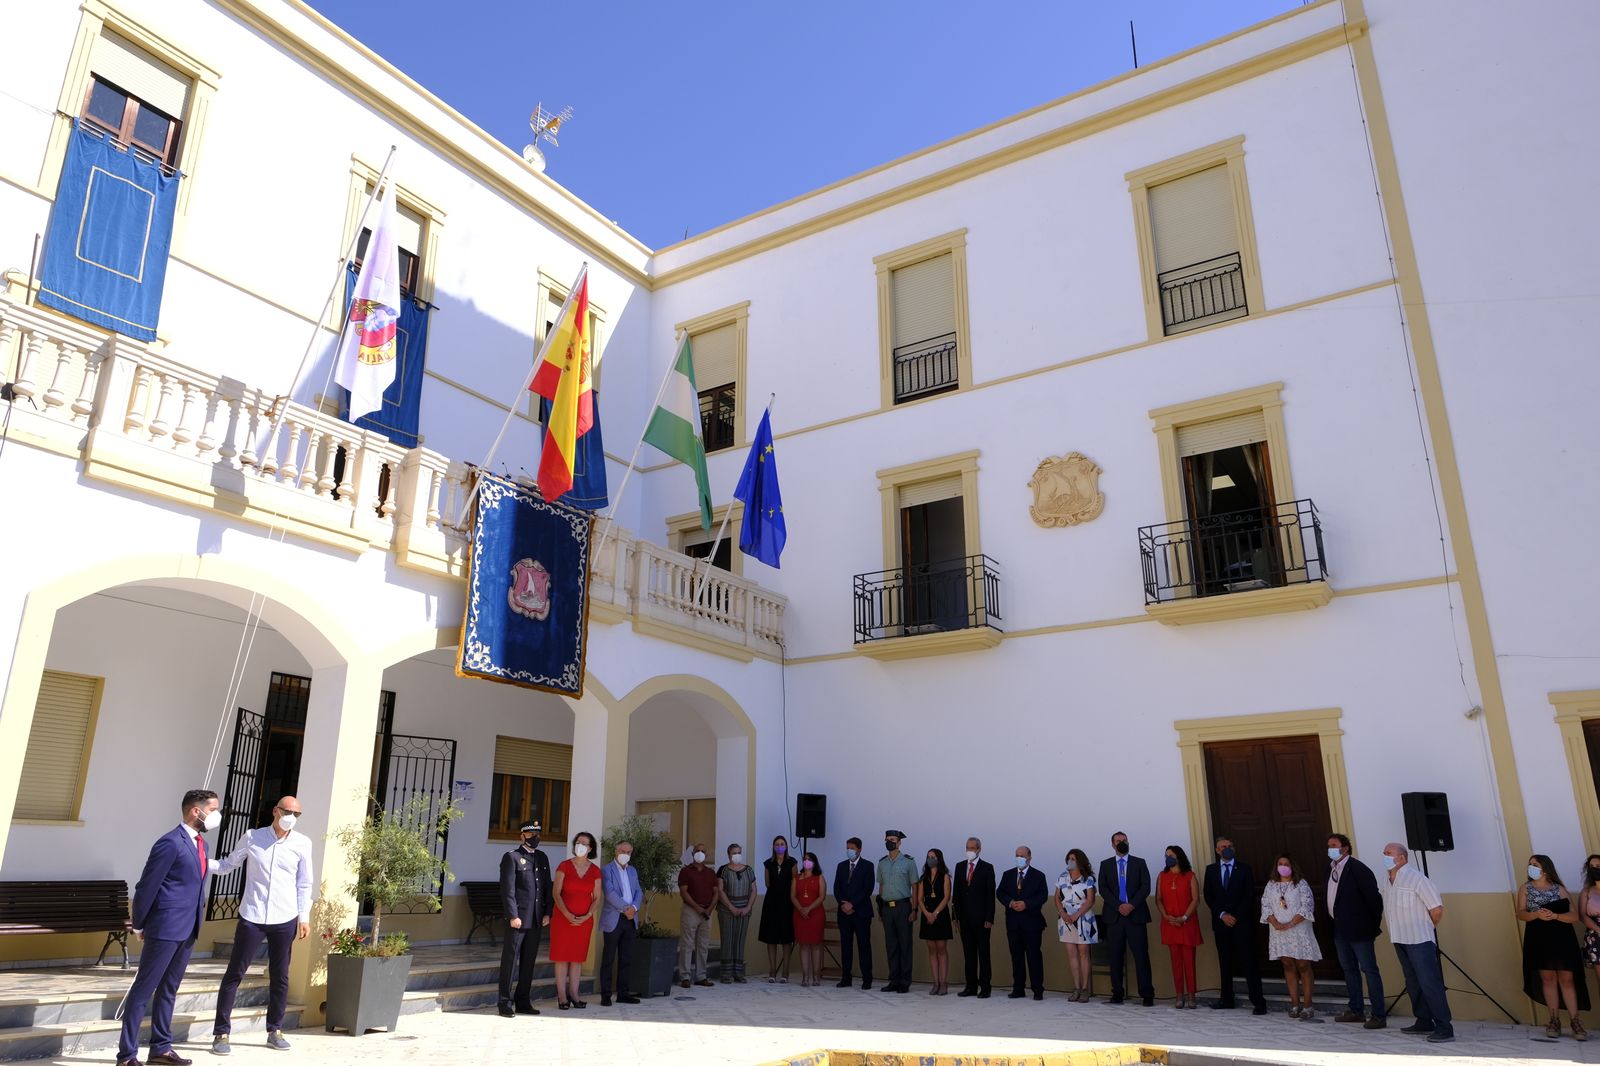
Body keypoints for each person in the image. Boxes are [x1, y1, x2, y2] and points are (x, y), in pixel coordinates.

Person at [118, 789, 218, 1066]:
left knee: (169, 989)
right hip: (165, 927)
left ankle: (161, 1048)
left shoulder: (202, 845)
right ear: (196, 811)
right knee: (143, 990)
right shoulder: (170, 843)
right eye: (213, 809)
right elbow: (147, 886)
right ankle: (126, 1055)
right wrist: (139, 923)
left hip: (188, 928)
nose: (217, 815)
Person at [210, 795, 313, 1054]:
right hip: (252, 915)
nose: (291, 817)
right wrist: (200, 861)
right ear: (275, 811)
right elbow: (229, 864)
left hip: (285, 917)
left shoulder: (302, 843)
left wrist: (304, 917)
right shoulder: (252, 837)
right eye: (287, 812)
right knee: (235, 973)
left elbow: (304, 883)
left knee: (280, 976)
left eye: (296, 814)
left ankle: (274, 1030)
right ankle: (221, 1033)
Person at [1379, 843, 1452, 1043]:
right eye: (1384, 853)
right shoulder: (1386, 879)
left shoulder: (1417, 879)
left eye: (1389, 853)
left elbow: (1436, 909)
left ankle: (1444, 1026)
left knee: (1429, 982)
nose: (1385, 856)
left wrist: (1426, 927)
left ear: (1402, 858)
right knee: (1412, 982)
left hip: (1419, 939)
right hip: (1399, 938)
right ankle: (1423, 1020)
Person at [1520, 853, 1590, 1039]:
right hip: (1538, 938)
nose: (1531, 867)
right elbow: (1520, 913)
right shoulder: (1526, 888)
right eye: (1530, 864)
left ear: (1545, 868)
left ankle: (1575, 1021)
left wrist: (1556, 916)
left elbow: (1574, 916)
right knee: (1548, 978)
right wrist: (1536, 915)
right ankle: (1554, 1020)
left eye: (1535, 864)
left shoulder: (1559, 889)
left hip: (1562, 938)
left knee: (1567, 979)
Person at [1326, 833, 1386, 1028]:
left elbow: (1374, 900)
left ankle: (1378, 1015)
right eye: (1329, 846)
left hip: (1360, 930)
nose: (1330, 849)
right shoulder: (1331, 869)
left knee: (1369, 970)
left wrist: (1371, 926)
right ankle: (1356, 1010)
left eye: (1334, 845)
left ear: (1345, 848)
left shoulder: (1358, 869)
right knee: (1349, 969)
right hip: (1340, 929)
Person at [494, 819, 552, 1018]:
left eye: (537, 834)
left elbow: (547, 887)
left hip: (536, 919)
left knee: (529, 962)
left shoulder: (542, 858)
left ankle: (523, 1001)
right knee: (510, 961)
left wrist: (547, 912)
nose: (535, 838)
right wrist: (513, 915)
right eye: (530, 834)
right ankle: (504, 1002)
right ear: (522, 836)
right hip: (518, 919)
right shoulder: (512, 857)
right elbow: (507, 890)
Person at [1203, 835, 1266, 1014]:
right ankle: (1226, 999)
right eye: (1223, 847)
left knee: (1249, 962)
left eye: (1229, 846)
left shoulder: (1245, 869)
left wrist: (1235, 916)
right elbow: (1209, 895)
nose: (1227, 849)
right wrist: (1222, 915)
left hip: (1242, 923)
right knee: (1225, 962)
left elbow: (1249, 895)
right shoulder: (1211, 870)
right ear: (1217, 850)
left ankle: (1258, 1002)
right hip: (1221, 923)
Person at [1098, 831, 1154, 1006]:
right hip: (1114, 917)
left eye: (1124, 840)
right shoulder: (1105, 864)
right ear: (1112, 844)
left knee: (1141, 956)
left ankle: (1147, 994)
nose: (1122, 843)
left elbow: (1145, 886)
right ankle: (1117, 993)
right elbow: (1103, 888)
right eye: (1118, 841)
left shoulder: (1139, 863)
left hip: (1135, 916)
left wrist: (1131, 904)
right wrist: (1118, 906)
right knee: (1115, 956)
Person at [1261, 853, 1320, 1019]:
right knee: (1287, 964)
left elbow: (1307, 906)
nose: (1283, 867)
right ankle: (1294, 1004)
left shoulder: (1301, 884)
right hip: (1279, 930)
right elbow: (1265, 905)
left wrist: (1291, 923)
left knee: (1303, 964)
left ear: (1292, 866)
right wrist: (1275, 922)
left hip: (1299, 929)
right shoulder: (1271, 885)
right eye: (1280, 864)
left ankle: (1308, 1005)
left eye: (1286, 864)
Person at [550, 830, 602, 1009]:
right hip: (562, 919)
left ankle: (574, 994)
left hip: (584, 921)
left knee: (577, 958)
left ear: (590, 848)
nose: (580, 845)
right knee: (561, 957)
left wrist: (588, 915)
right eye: (578, 842)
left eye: (584, 843)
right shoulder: (564, 866)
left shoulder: (595, 871)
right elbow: (556, 893)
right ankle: (562, 996)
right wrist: (566, 914)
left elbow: (597, 897)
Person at [996, 845, 1048, 1000]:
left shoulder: (1039, 876)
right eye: (1017, 855)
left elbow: (1043, 896)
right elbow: (1000, 892)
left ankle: (1037, 989)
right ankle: (1018, 988)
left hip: (1032, 923)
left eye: (1022, 856)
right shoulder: (1008, 875)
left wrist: (1027, 904)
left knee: (1034, 956)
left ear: (1029, 858)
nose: (1019, 858)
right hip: (1013, 923)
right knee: (1016, 956)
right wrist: (1010, 902)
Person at [1155, 844, 1203, 1009]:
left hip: (1187, 923)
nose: (1168, 858)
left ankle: (1191, 995)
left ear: (1179, 857)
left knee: (1189, 960)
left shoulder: (1190, 876)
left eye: (1171, 855)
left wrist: (1184, 917)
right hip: (1170, 923)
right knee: (1175, 961)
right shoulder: (1162, 876)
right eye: (1166, 855)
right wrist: (1166, 916)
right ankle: (1179, 994)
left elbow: (1195, 900)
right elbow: (1158, 899)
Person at [599, 839, 642, 1007]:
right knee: (608, 958)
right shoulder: (606, 870)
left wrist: (634, 908)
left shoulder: (632, 871)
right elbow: (610, 893)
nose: (625, 855)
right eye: (623, 851)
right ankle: (605, 995)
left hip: (630, 919)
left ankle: (623, 993)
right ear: (616, 852)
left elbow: (638, 891)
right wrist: (626, 909)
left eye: (628, 852)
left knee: (626, 958)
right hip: (614, 918)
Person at [951, 836, 996, 998]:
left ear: (978, 849)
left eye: (972, 848)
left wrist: (989, 918)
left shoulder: (987, 868)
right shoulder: (960, 866)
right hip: (964, 919)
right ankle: (970, 986)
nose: (969, 851)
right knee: (969, 954)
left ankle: (985, 987)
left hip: (982, 919)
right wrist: (955, 916)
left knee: (983, 953)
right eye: (967, 848)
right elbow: (956, 893)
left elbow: (990, 895)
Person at [1055, 848, 1098, 1002]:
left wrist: (1076, 915)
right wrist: (1062, 912)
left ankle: (1085, 988)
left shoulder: (1088, 879)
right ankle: (1076, 987)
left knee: (1083, 952)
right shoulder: (1062, 877)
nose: (1070, 861)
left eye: (1073, 858)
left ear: (1080, 861)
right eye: (1069, 858)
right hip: (1066, 919)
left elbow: (1090, 900)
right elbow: (1057, 897)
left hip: (1083, 919)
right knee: (1071, 953)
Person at [877, 829, 917, 993]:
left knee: (905, 944)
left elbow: (915, 887)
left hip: (903, 907)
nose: (890, 842)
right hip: (887, 908)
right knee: (891, 945)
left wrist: (914, 909)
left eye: (893, 840)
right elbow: (881, 886)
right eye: (887, 839)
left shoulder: (908, 862)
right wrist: (880, 909)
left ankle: (905, 981)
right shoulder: (882, 863)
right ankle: (894, 980)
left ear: (899, 842)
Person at [833, 836, 875, 989]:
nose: (849, 851)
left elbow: (867, 889)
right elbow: (836, 888)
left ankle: (867, 979)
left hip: (861, 913)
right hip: (844, 913)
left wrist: (852, 904)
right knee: (846, 946)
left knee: (864, 946)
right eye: (847, 848)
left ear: (859, 849)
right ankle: (846, 978)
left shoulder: (868, 866)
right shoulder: (841, 866)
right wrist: (843, 903)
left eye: (852, 848)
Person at [677, 842, 718, 989]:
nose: (700, 853)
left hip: (707, 912)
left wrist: (710, 909)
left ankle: (701, 976)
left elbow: (716, 892)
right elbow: (684, 891)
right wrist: (696, 907)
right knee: (687, 944)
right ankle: (685, 976)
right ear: (693, 853)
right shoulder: (686, 871)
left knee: (703, 945)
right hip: (691, 911)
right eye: (697, 851)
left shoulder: (711, 873)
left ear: (706, 855)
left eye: (702, 851)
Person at [715, 843, 756, 983]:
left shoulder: (749, 870)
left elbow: (754, 890)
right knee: (727, 940)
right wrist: (731, 907)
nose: (737, 855)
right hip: (726, 911)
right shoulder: (723, 870)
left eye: (739, 852)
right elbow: (720, 890)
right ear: (728, 855)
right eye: (734, 853)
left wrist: (748, 907)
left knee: (740, 941)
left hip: (744, 911)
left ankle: (739, 974)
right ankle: (726, 974)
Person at [759, 836, 797, 983]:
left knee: (786, 938)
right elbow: (767, 883)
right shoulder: (768, 863)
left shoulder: (792, 862)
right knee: (771, 938)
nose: (779, 846)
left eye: (782, 844)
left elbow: (795, 882)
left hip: (787, 903)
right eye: (777, 844)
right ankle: (772, 970)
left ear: (786, 846)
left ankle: (785, 971)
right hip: (771, 903)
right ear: (773, 847)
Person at [915, 848, 953, 995]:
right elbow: (919, 899)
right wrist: (926, 914)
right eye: (928, 856)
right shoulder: (923, 878)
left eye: (933, 856)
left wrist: (935, 913)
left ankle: (943, 983)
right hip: (927, 916)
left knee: (941, 949)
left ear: (939, 858)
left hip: (940, 915)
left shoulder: (945, 876)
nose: (930, 859)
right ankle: (935, 982)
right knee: (931, 950)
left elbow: (946, 897)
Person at [791, 852, 826, 986]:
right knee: (803, 945)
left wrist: (809, 908)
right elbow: (793, 896)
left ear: (814, 862)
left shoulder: (819, 877)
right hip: (800, 915)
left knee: (816, 945)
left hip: (815, 914)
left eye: (809, 859)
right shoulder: (796, 878)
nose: (807, 861)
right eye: (805, 859)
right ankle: (805, 977)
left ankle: (816, 977)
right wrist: (801, 909)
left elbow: (821, 897)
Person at [1578, 855, 1600, 1004]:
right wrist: (1598, 929)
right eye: (1592, 867)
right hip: (1596, 936)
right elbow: (1582, 915)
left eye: (1598, 866)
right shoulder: (1586, 891)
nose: (1595, 869)